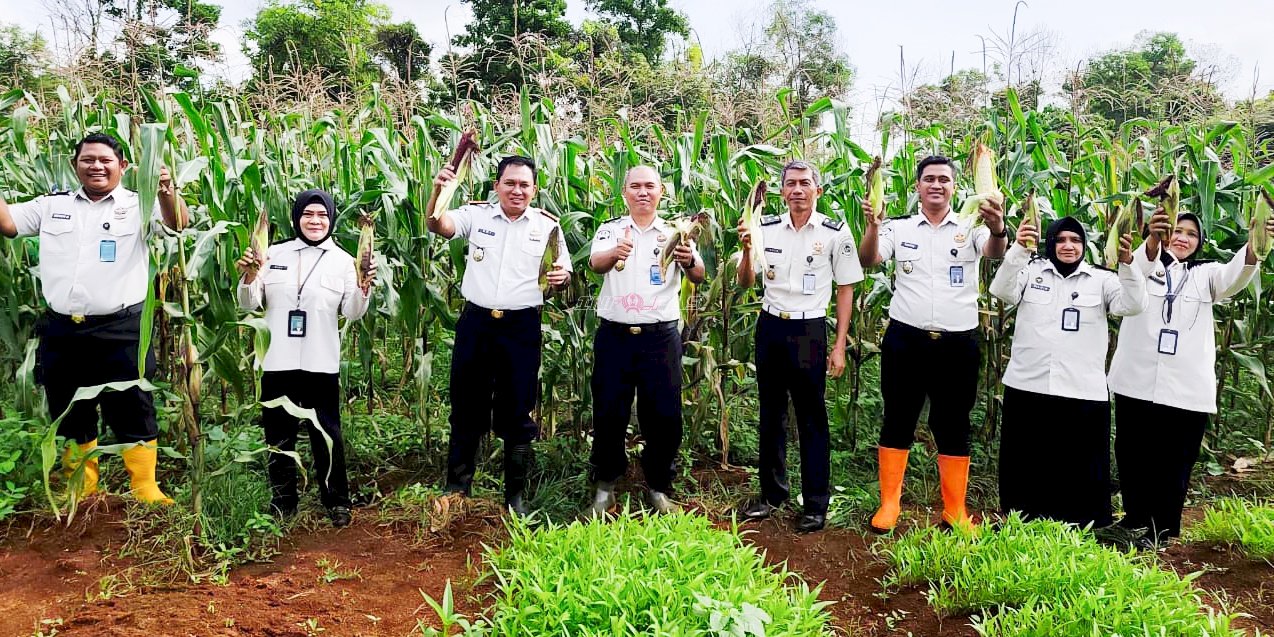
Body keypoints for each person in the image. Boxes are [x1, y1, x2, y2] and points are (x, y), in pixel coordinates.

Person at [0, 132, 188, 504]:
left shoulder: (140, 204)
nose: (96, 166)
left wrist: (166, 189)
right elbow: (8, 223)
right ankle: (82, 487)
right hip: (63, 329)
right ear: (75, 166)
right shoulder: (52, 206)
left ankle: (144, 488)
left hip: (122, 328)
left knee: (132, 403)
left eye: (105, 160)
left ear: (123, 166)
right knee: (69, 407)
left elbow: (177, 224)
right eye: (88, 160)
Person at [857, 155, 1008, 533]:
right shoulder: (899, 227)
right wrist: (872, 226)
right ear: (918, 186)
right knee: (898, 418)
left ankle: (954, 510)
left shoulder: (971, 225)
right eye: (929, 179)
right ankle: (889, 504)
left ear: (954, 187)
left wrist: (999, 227)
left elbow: (994, 251)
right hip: (905, 340)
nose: (936, 185)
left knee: (953, 423)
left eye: (943, 179)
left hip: (957, 344)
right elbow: (869, 259)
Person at [1107, 209, 1274, 547]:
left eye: (1192, 234)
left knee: (1174, 460)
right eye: (1177, 230)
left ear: (1199, 243)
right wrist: (1150, 240)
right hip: (1135, 381)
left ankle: (1163, 530)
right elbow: (1130, 274)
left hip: (1185, 389)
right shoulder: (1143, 264)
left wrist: (1259, 241)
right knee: (1132, 452)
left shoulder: (1206, 275)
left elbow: (1236, 274)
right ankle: (1134, 519)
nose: (1183, 238)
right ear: (1164, 232)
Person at [426, 155, 571, 516]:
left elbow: (563, 271)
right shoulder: (476, 216)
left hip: (521, 329)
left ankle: (514, 497)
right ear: (497, 186)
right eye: (510, 183)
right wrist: (438, 191)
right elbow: (438, 224)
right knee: (466, 405)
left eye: (524, 185)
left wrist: (561, 278)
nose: (517, 190)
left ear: (534, 190)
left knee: (518, 408)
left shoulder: (548, 227)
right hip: (476, 325)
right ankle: (457, 488)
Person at [989, 216, 1147, 529]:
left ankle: (1082, 523)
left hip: (1081, 390)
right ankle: (1021, 521)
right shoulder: (1031, 270)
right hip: (1028, 384)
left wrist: (1128, 264)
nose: (1068, 246)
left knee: (1079, 466)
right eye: (1061, 240)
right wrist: (1019, 248)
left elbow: (1133, 304)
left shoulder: (1102, 279)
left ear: (1084, 246)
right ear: (1050, 243)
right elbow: (1002, 290)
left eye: (1075, 240)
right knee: (1026, 461)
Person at [735, 160, 864, 533]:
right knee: (770, 414)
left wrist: (839, 345)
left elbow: (846, 289)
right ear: (782, 191)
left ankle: (815, 503)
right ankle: (772, 495)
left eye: (804, 183)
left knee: (811, 417)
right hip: (771, 326)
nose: (797, 190)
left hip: (809, 330)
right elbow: (746, 282)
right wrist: (746, 250)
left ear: (817, 191)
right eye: (790, 184)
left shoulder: (835, 233)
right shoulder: (765, 229)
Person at [236, 189, 375, 527]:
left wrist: (364, 288)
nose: (315, 221)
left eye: (322, 215)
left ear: (331, 219)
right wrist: (249, 275)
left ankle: (336, 500)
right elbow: (248, 303)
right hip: (277, 359)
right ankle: (283, 501)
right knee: (278, 434)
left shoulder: (344, 261)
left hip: (320, 361)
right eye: (308, 215)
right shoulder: (272, 253)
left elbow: (352, 312)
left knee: (327, 433)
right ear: (296, 218)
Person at [585, 166, 705, 516]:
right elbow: (595, 264)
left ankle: (658, 486)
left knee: (663, 414)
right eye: (635, 186)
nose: (642, 192)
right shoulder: (610, 231)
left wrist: (689, 260)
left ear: (660, 192)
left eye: (649, 186)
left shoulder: (675, 233)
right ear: (624, 193)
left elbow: (698, 275)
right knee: (609, 411)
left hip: (661, 337)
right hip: (615, 336)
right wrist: (615, 254)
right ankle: (605, 485)